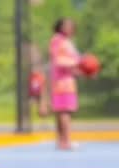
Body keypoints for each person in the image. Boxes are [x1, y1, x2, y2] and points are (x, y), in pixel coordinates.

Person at [45, 18, 84, 150]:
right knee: (64, 112)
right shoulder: (58, 40)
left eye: (72, 25)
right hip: (62, 82)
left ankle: (61, 141)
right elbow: (58, 60)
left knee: (62, 112)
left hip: (66, 80)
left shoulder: (66, 42)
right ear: (60, 26)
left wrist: (82, 69)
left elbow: (73, 62)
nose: (71, 27)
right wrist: (78, 64)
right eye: (68, 25)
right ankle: (65, 141)